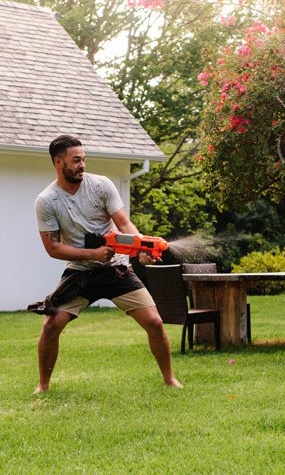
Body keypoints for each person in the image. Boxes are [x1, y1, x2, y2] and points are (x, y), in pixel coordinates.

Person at [29, 135, 181, 393]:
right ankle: (43, 386)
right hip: (80, 273)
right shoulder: (47, 200)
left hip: (117, 269)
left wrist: (141, 247)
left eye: (84, 159)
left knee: (155, 322)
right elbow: (53, 248)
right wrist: (92, 255)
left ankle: (169, 380)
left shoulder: (101, 186)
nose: (82, 165)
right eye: (76, 160)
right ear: (58, 162)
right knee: (52, 325)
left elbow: (124, 224)